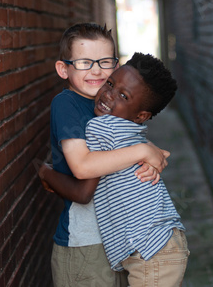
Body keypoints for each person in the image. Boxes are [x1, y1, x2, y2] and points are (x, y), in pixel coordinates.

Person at [46, 23, 170, 287]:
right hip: (85, 244)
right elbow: (82, 167)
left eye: (104, 61)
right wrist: (143, 150)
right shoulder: (67, 104)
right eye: (83, 62)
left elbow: (127, 153)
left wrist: (151, 161)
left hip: (121, 240)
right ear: (63, 69)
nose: (96, 70)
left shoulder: (109, 104)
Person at [87, 52, 189, 287]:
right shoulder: (132, 129)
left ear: (141, 116)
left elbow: (82, 166)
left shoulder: (103, 126)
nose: (108, 95)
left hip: (151, 249)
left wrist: (48, 173)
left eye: (123, 95)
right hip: (161, 244)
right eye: (110, 84)